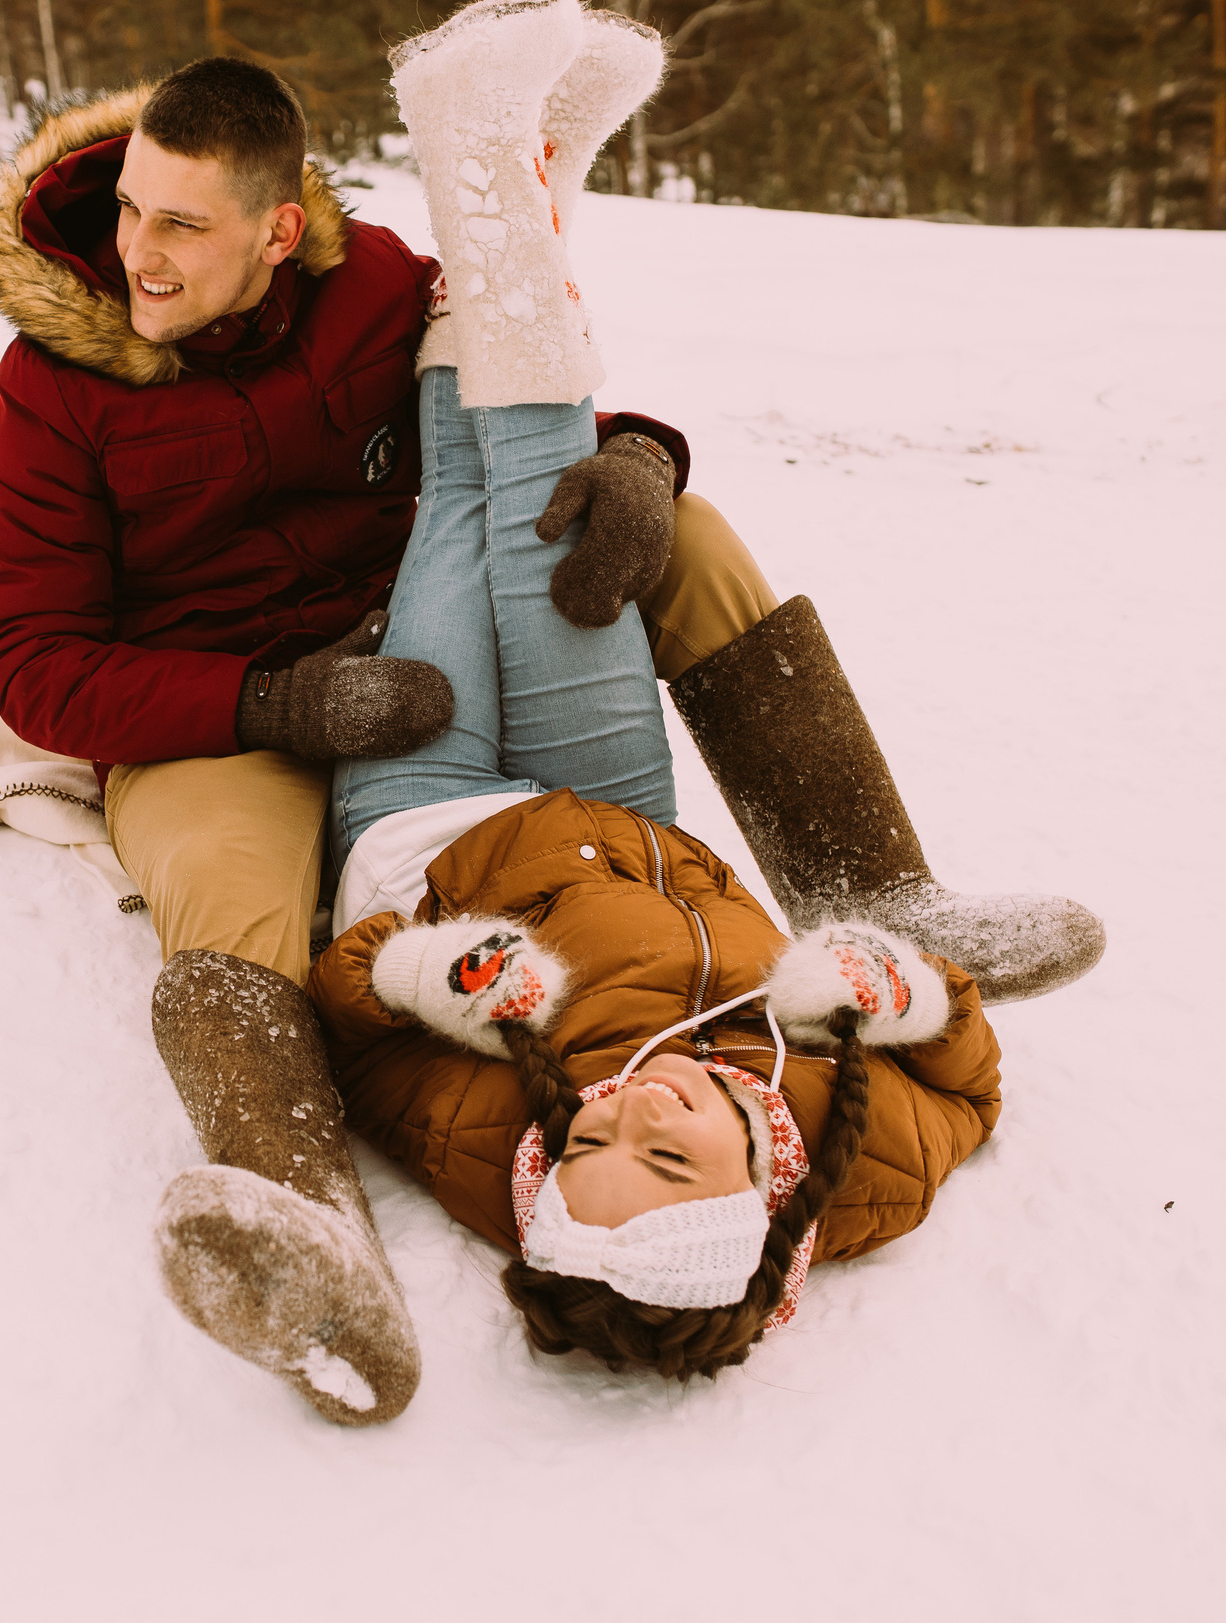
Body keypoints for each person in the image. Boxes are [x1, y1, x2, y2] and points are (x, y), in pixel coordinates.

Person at [0, 7, 1098, 1426]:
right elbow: (33, 663)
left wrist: (642, 463)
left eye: (183, 224)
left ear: (275, 230)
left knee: (674, 532)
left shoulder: (370, 283)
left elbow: (502, 346)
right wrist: (271, 698)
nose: (139, 252)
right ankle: (297, 1205)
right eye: (132, 209)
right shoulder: (50, 392)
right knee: (223, 873)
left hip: (431, 634)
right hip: (220, 702)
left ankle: (876, 882)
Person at [291, 0, 1013, 1385]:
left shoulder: (488, 1157)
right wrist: (903, 995)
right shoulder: (870, 1173)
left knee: (463, 517)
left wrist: (423, 972)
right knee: (549, 532)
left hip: (431, 837)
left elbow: (362, 1052)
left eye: (586, 1144)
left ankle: (499, 161)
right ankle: (504, 161)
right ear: (765, 1207)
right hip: (621, 814)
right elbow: (970, 1084)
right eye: (667, 1148)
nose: (624, 1109)